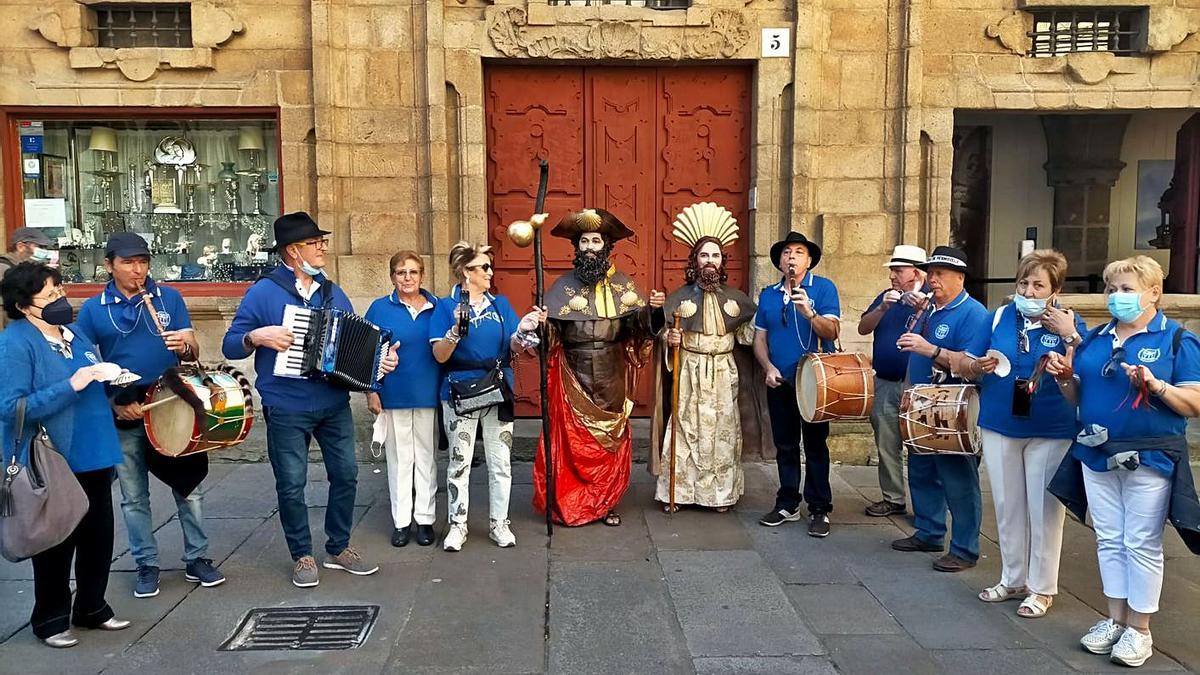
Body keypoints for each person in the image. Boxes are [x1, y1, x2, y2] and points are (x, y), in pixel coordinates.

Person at [222, 212, 398, 587]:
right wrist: (257, 337)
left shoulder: (332, 292)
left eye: (322, 242)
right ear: (292, 251)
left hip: (331, 402)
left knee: (347, 475)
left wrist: (380, 365)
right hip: (286, 404)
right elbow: (230, 344)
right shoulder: (264, 292)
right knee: (291, 483)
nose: (322, 248)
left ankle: (338, 546)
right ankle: (302, 554)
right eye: (314, 243)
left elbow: (360, 347)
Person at [1046, 256, 1200, 667]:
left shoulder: (1177, 341)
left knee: (1142, 542)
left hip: (1150, 455)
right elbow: (1078, 397)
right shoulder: (1096, 340)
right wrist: (1064, 378)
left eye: (1127, 290)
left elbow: (1194, 402)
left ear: (1153, 293)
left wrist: (1157, 385)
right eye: (1112, 289)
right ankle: (1115, 619)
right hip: (1096, 451)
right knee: (1109, 537)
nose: (1117, 297)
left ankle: (1140, 629)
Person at [75, 233, 224, 599]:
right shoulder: (95, 309)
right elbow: (85, 364)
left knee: (189, 487)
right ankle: (146, 563)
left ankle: (197, 557)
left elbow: (192, 349)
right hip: (125, 402)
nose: (138, 270)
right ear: (109, 265)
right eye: (128, 262)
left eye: (142, 262)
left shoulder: (167, 297)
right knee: (133, 494)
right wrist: (113, 405)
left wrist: (185, 344)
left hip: (169, 397)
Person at [0, 263, 130, 647]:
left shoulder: (72, 333)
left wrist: (113, 380)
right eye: (49, 295)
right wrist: (72, 385)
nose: (60, 300)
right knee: (57, 540)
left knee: (98, 536)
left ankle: (92, 607)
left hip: (95, 449)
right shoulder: (16, 342)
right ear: (25, 306)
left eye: (59, 291)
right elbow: (12, 406)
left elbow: (91, 374)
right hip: (54, 455)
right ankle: (51, 619)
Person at [967, 250, 1083, 617]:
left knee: (1045, 509)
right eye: (1023, 283)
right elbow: (970, 360)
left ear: (1055, 290)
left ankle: (1042, 587)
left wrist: (1071, 340)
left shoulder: (1069, 324)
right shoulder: (999, 316)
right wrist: (979, 364)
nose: (1029, 292)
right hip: (1000, 420)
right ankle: (1012, 577)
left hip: (1050, 425)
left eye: (1038, 285)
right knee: (1006, 504)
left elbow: (1085, 375)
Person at [532, 209, 665, 527]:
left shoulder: (623, 286)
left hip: (611, 372)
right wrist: (541, 324)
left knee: (608, 440)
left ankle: (605, 502)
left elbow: (640, 329)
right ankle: (570, 499)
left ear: (606, 245)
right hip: (573, 373)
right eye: (584, 241)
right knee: (573, 440)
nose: (589, 246)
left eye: (595, 240)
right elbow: (550, 339)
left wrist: (654, 312)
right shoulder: (561, 287)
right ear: (576, 248)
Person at [429, 241, 541, 551]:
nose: (491, 272)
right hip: (459, 392)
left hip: (499, 388)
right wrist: (453, 331)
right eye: (484, 267)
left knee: (501, 461)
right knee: (459, 462)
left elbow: (516, 348)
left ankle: (498, 523)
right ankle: (458, 524)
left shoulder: (500, 305)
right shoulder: (444, 306)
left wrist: (525, 331)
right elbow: (439, 356)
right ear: (466, 271)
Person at [890, 245, 992, 572]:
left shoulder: (973, 314)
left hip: (953, 407)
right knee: (921, 470)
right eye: (930, 273)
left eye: (939, 274)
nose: (931, 279)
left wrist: (929, 348)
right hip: (922, 402)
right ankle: (930, 531)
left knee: (957, 478)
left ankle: (964, 548)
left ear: (960, 277)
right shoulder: (929, 309)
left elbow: (972, 364)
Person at [652, 206, 756, 511]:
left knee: (723, 431)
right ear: (694, 261)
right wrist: (668, 339)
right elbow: (662, 334)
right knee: (686, 428)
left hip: (724, 371)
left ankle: (720, 495)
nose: (710, 262)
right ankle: (681, 493)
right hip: (689, 369)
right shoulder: (679, 298)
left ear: (722, 262)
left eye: (715, 256)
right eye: (704, 256)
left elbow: (748, 337)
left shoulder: (736, 299)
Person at [753, 231, 840, 537]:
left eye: (799, 252)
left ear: (809, 260)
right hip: (780, 381)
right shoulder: (768, 295)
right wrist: (767, 366)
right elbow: (759, 339)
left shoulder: (825, 289)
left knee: (816, 445)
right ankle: (787, 502)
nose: (792, 257)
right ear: (779, 261)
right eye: (787, 252)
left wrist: (809, 312)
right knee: (785, 445)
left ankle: (819, 508)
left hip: (815, 381)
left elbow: (831, 332)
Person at [364, 251, 440, 548]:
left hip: (428, 393)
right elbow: (365, 353)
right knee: (399, 460)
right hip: (393, 394)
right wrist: (371, 391)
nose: (407, 278)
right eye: (400, 272)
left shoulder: (438, 307)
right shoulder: (379, 309)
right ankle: (401, 522)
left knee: (426, 459)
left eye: (413, 272)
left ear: (422, 275)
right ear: (392, 276)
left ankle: (425, 519)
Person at [856, 244, 927, 517]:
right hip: (885, 381)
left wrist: (923, 306)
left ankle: (925, 508)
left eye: (897, 271)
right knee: (887, 444)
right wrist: (883, 307)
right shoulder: (887, 296)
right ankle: (893, 498)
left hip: (918, 386)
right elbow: (863, 327)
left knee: (921, 447)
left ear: (916, 273)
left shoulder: (932, 299)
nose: (892, 277)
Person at [0, 228, 56, 329]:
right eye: (40, 246)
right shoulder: (3, 268)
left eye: (45, 247)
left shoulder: (26, 268)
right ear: (21, 246)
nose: (44, 250)